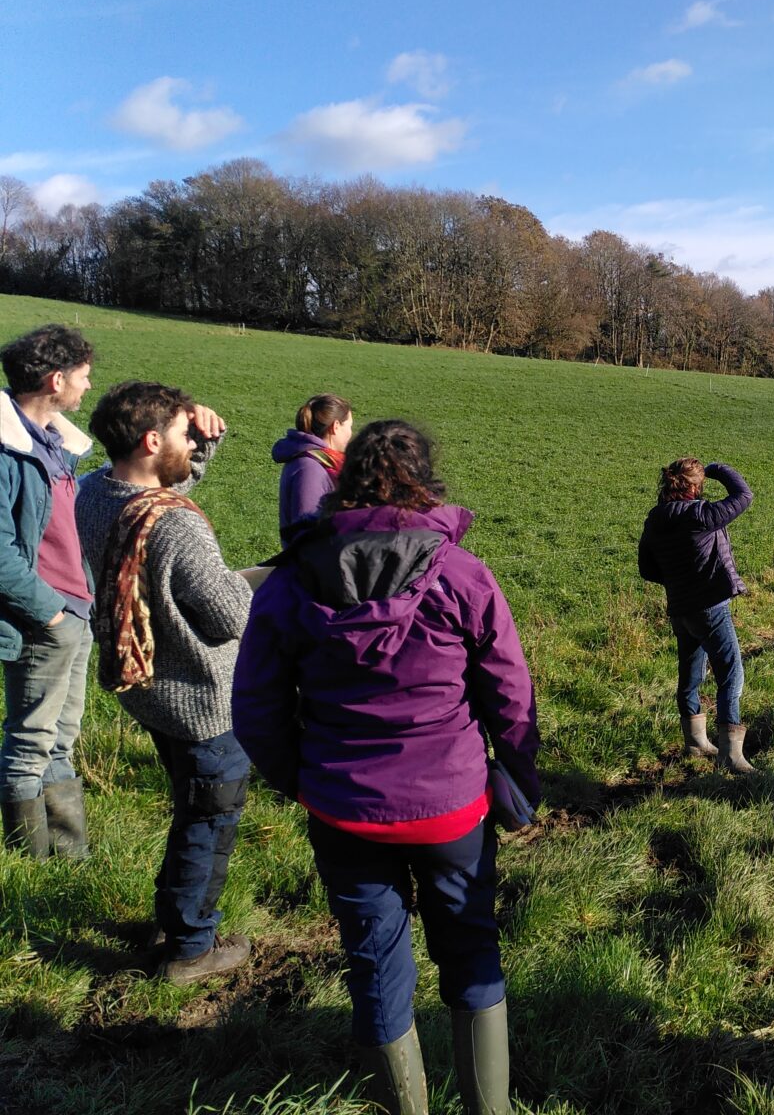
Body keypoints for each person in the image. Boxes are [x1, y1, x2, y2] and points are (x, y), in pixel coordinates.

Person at [233, 420, 539, 1115]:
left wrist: (302, 780)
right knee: (471, 947)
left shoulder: (289, 582)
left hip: (342, 808)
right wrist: (521, 778)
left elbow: (254, 707)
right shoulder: (463, 575)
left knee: (373, 964)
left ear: (342, 481)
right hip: (453, 808)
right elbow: (510, 692)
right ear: (426, 483)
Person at [75, 381, 254, 983]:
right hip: (204, 704)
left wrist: (202, 443)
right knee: (209, 822)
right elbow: (230, 617)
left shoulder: (95, 493)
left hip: (151, 693)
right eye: (183, 435)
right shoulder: (176, 528)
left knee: (189, 809)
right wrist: (252, 583)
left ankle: (169, 920)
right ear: (153, 441)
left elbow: (158, 499)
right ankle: (191, 948)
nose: (192, 443)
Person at [0, 326, 96, 861]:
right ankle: (29, 863)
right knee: (30, 740)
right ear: (56, 380)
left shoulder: (54, 442)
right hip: (44, 616)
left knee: (61, 738)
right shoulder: (5, 449)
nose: (88, 386)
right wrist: (50, 614)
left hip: (73, 611)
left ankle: (67, 856)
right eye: (83, 376)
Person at [638, 457, 755, 773]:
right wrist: (716, 469)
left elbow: (647, 569)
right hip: (710, 607)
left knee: (690, 673)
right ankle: (731, 754)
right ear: (695, 486)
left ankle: (695, 741)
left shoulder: (655, 519)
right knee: (731, 672)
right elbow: (744, 495)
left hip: (680, 608)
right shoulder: (702, 515)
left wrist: (679, 581)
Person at [273, 393, 353, 544]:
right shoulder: (309, 469)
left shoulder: (322, 461)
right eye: (349, 427)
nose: (351, 433)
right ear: (336, 427)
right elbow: (306, 535)